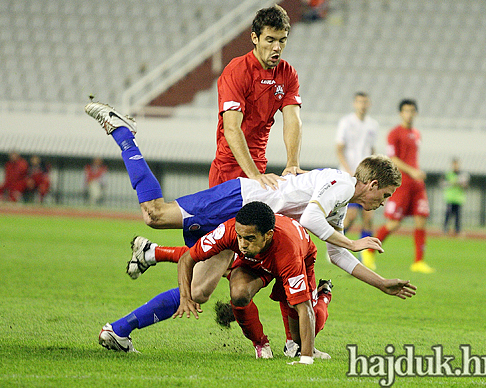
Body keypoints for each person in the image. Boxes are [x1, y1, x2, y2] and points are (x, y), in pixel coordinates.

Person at [84, 101, 417, 355]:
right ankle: (123, 133)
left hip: (249, 225)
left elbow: (338, 256)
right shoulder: (342, 183)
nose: (384, 202)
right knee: (154, 214)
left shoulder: (340, 203)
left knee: (199, 291)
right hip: (240, 200)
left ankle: (118, 331)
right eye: (385, 195)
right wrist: (355, 242)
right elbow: (315, 223)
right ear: (372, 184)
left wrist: (381, 283)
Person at [176, 202, 333, 362]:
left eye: (250, 238)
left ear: (268, 235)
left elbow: (304, 307)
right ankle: (260, 343)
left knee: (304, 329)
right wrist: (184, 297)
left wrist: (306, 359)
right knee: (239, 293)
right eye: (240, 237)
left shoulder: (289, 253)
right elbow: (186, 259)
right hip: (254, 261)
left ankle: (324, 295)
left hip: (299, 260)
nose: (243, 244)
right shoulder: (228, 231)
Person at [210, 5, 304, 189]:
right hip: (228, 168)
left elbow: (293, 120)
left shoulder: (288, 73)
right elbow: (231, 128)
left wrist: (292, 163)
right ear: (255, 38)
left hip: (259, 166)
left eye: (282, 40)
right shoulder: (236, 71)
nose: (277, 47)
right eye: (270, 40)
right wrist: (253, 175)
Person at [362, 99, 434, 273]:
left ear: (415, 113)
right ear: (401, 113)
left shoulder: (417, 133)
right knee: (394, 223)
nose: (409, 114)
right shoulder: (394, 133)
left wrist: (417, 172)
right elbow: (393, 159)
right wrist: (412, 171)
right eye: (406, 111)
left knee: (421, 219)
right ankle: (369, 251)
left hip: (417, 184)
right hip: (402, 183)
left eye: (412, 111)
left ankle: (418, 262)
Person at [335, 92, 379, 242]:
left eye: (365, 102)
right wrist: (349, 171)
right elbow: (339, 149)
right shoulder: (346, 122)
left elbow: (372, 150)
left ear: (370, 104)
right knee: (351, 216)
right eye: (360, 102)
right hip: (349, 176)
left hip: (366, 177)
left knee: (369, 217)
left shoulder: (373, 124)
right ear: (355, 104)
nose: (362, 105)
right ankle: (337, 245)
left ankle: (365, 255)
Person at [442, 157, 469, 236]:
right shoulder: (447, 174)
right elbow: (442, 184)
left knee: (457, 216)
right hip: (450, 198)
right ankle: (445, 229)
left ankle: (457, 230)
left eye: (457, 164)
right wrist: (452, 183)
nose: (455, 166)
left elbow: (466, 186)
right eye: (454, 164)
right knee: (448, 214)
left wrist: (462, 184)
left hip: (459, 199)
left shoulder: (463, 175)